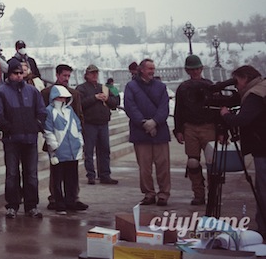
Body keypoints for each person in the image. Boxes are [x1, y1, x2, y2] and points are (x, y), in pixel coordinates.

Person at [0, 58, 46, 219]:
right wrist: (8, 128)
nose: (19, 76)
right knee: (12, 174)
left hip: (30, 138)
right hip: (12, 140)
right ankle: (12, 205)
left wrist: (37, 125)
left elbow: (42, 111)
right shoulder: (1, 92)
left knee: (31, 174)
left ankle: (31, 205)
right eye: (16, 73)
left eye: (21, 73)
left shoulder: (33, 91)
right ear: (9, 74)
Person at [220, 65, 266, 236]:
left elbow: (243, 119)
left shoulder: (254, 94)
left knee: (263, 190)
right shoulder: (263, 87)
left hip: (263, 149)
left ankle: (264, 229)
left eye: (237, 81)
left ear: (245, 78)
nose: (237, 86)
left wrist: (226, 115)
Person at [123, 58, 171, 206]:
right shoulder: (131, 86)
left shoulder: (161, 87)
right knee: (144, 167)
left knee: (163, 165)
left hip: (160, 131)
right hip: (140, 132)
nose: (152, 71)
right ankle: (149, 193)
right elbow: (130, 106)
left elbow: (164, 107)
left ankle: (163, 193)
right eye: (149, 69)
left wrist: (155, 122)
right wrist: (144, 123)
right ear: (141, 70)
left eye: (153, 68)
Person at [173, 54, 218, 205]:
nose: (195, 72)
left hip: (209, 126)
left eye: (197, 69)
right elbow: (178, 110)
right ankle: (198, 193)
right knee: (193, 162)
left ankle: (214, 193)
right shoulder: (183, 88)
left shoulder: (209, 85)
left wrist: (222, 131)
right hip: (190, 127)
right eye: (192, 69)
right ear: (187, 70)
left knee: (213, 163)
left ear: (201, 69)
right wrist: (178, 130)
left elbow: (217, 109)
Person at [76, 64, 120, 186]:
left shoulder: (104, 88)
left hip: (103, 123)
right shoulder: (81, 89)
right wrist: (94, 98)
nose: (95, 75)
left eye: (96, 73)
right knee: (89, 151)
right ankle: (91, 175)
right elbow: (80, 104)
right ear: (87, 75)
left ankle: (105, 175)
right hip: (89, 124)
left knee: (105, 150)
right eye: (92, 73)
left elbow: (114, 103)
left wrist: (106, 99)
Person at [43, 86, 84, 215]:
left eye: (64, 98)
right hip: (59, 150)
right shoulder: (49, 111)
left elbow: (77, 126)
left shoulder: (70, 110)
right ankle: (59, 202)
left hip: (72, 149)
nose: (62, 100)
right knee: (58, 178)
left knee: (71, 177)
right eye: (60, 97)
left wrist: (80, 141)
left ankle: (70, 201)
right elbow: (48, 129)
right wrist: (53, 145)